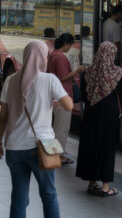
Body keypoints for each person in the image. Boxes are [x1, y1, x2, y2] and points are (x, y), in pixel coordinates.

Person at [0, 41, 72, 218]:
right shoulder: (49, 79)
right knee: (49, 195)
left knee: (19, 198)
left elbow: (3, 117)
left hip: (14, 148)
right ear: (42, 57)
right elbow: (69, 105)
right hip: (41, 147)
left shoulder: (10, 80)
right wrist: (55, 101)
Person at [75, 42, 122, 197]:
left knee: (92, 147)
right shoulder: (116, 72)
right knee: (107, 148)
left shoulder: (88, 71)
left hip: (91, 115)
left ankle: (92, 183)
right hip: (109, 116)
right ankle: (106, 187)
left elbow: (84, 95)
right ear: (111, 55)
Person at [48, 33, 85, 164]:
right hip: (63, 96)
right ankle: (59, 156)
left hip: (56, 96)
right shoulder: (60, 57)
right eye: (70, 44)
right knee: (62, 128)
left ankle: (53, 153)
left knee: (56, 126)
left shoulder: (52, 54)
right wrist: (77, 70)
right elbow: (63, 77)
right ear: (66, 44)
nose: (70, 47)